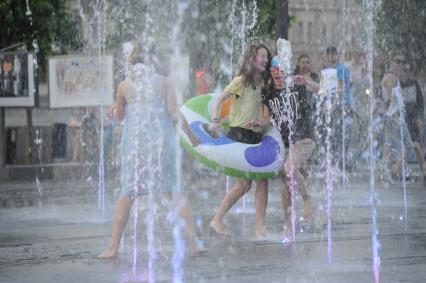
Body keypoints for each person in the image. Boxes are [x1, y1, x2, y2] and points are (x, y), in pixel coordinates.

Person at [97, 42, 205, 259]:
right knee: (174, 190)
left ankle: (112, 247)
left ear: (133, 61)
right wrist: (193, 136)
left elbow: (120, 116)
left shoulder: (124, 86)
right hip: (161, 143)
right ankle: (194, 243)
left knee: (128, 192)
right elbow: (174, 115)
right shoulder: (165, 83)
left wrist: (112, 109)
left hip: (135, 146)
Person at [207, 43, 272, 237]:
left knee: (262, 180)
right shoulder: (241, 81)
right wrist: (215, 120)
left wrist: (260, 123)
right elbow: (219, 99)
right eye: (262, 56)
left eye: (267, 57)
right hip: (238, 135)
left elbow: (264, 116)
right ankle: (216, 220)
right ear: (252, 58)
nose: (266, 60)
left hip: (253, 135)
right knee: (244, 185)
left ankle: (260, 226)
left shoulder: (262, 84)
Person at [262, 57, 315, 236]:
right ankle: (287, 223)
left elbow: (321, 89)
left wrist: (307, 81)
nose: (278, 73)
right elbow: (266, 120)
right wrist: (257, 123)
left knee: (289, 168)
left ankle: (307, 198)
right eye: (274, 69)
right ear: (271, 72)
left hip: (304, 140)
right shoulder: (269, 95)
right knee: (286, 184)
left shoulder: (297, 85)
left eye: (281, 69)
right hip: (285, 145)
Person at [380, 52, 414, 182]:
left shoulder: (390, 76)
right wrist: (394, 116)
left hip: (391, 116)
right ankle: (396, 171)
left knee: (389, 144)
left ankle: (387, 172)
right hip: (395, 117)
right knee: (406, 145)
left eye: (402, 62)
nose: (400, 64)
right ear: (391, 61)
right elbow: (390, 98)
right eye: (398, 61)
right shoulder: (391, 78)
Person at [323, 46, 352, 169]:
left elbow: (340, 86)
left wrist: (334, 103)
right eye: (329, 54)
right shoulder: (325, 69)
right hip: (330, 104)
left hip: (341, 104)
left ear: (337, 55)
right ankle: (332, 161)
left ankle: (339, 162)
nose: (331, 56)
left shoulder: (341, 68)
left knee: (339, 132)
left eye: (333, 54)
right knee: (330, 133)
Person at [400, 62, 426, 180]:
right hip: (403, 119)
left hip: (414, 119)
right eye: (405, 70)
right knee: (404, 146)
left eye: (408, 70)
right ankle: (403, 171)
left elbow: (420, 101)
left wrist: (419, 117)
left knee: (416, 145)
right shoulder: (398, 85)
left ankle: (423, 170)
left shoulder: (414, 84)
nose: (407, 73)